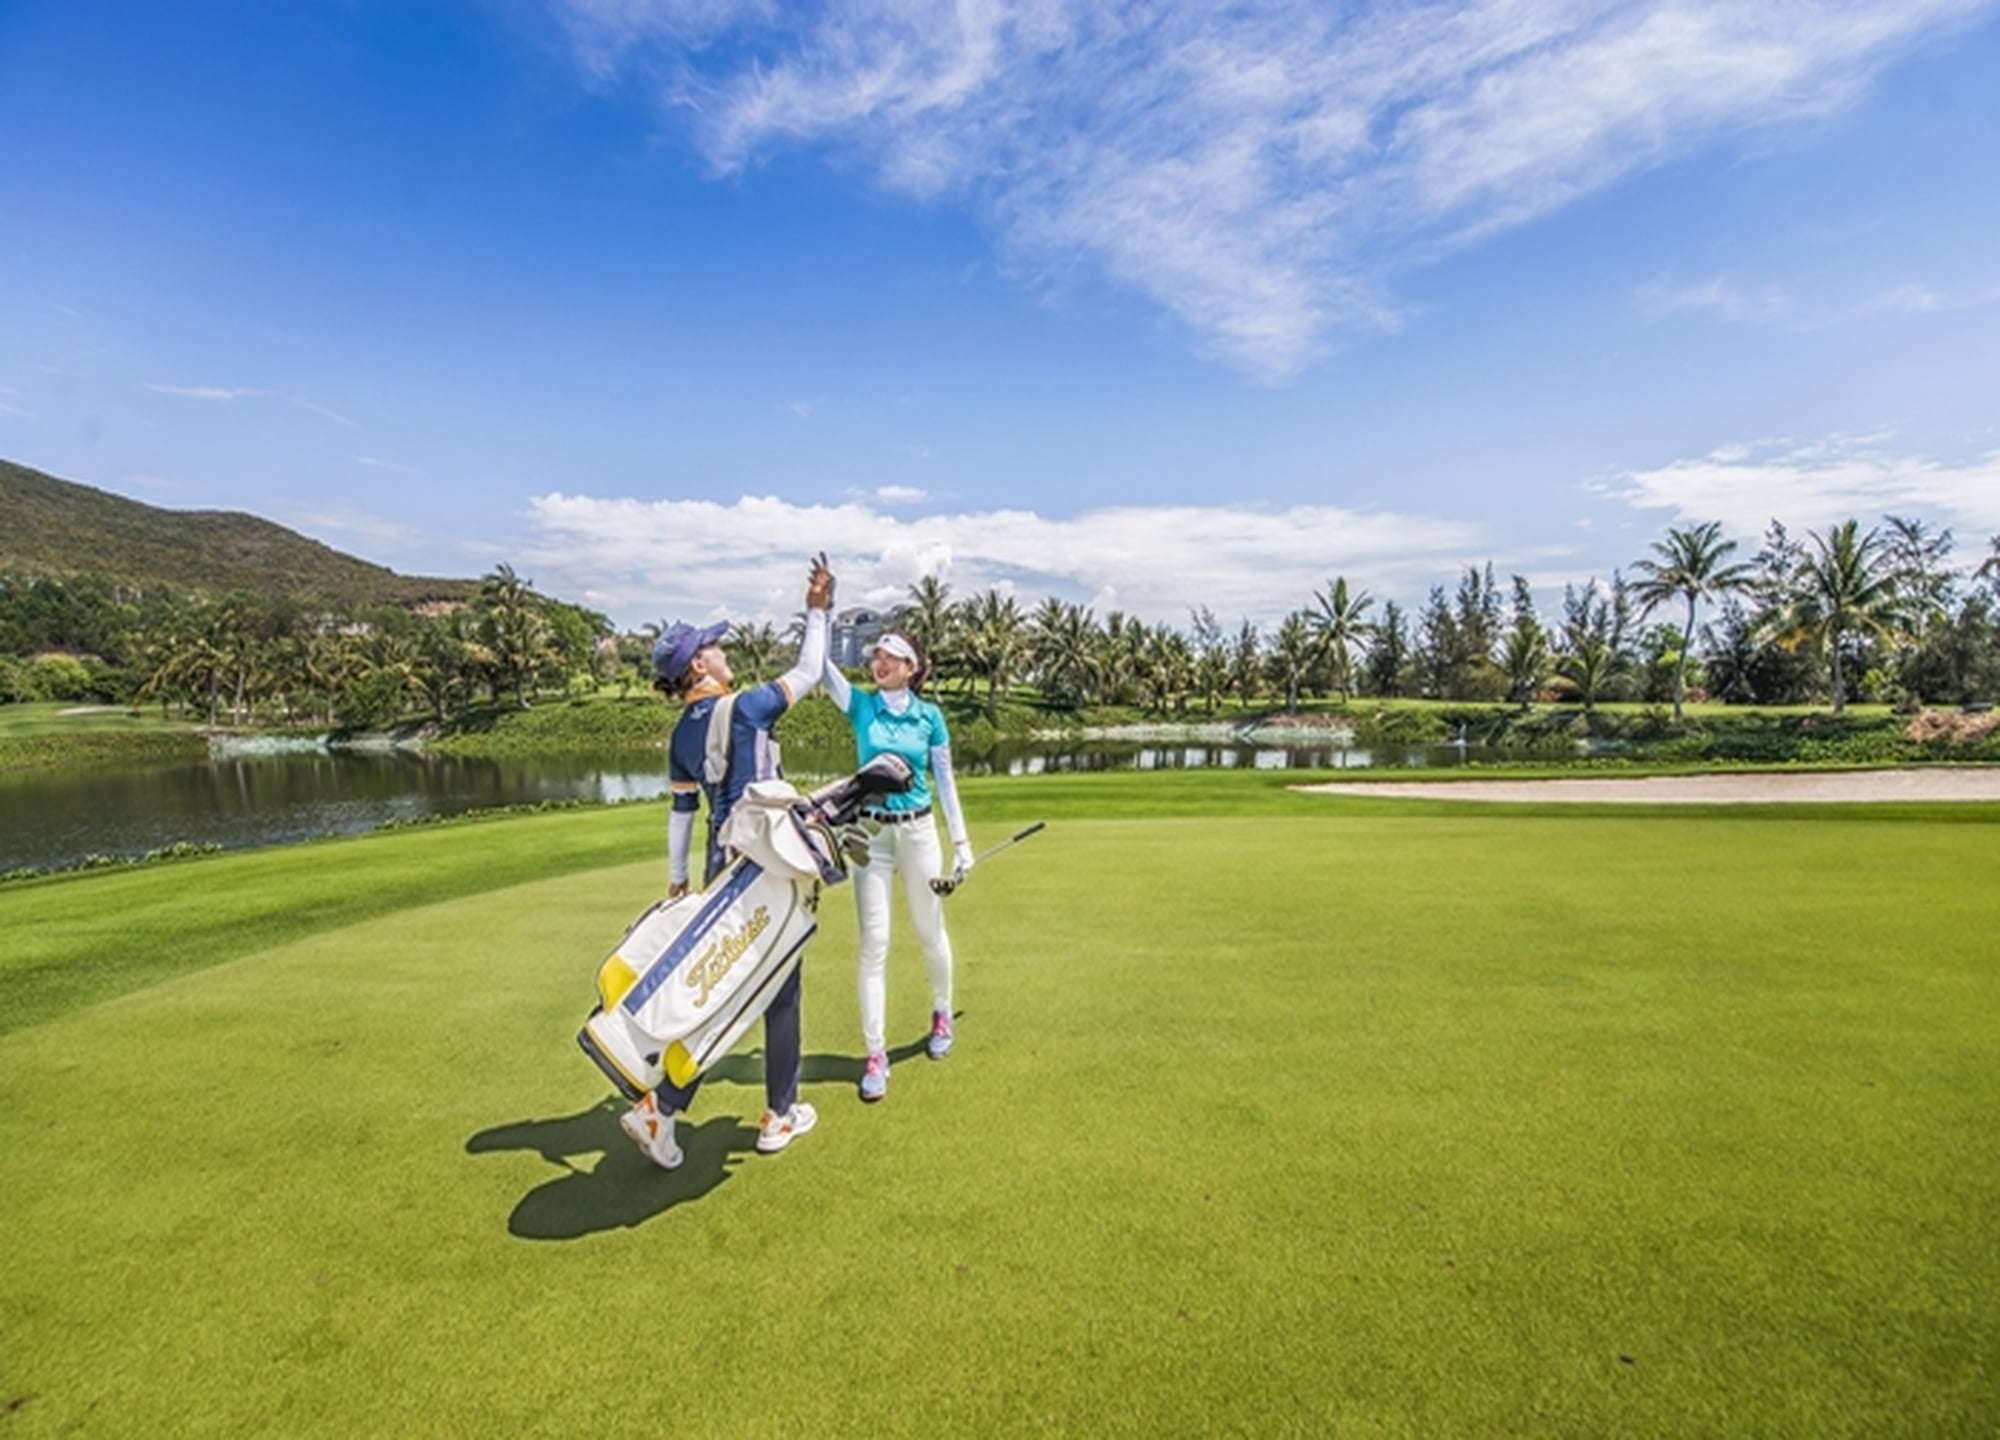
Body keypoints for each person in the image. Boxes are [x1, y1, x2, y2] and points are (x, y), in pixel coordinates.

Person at [618, 554, 836, 1170]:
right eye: (713, 648)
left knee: (721, 987)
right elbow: (809, 671)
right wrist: (817, 610)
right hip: (766, 864)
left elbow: (681, 812)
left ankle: (667, 1107)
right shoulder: (745, 707)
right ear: (698, 666)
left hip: (721, 866)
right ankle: (773, 1114)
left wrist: (678, 880)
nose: (722, 651)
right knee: (778, 987)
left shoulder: (680, 735)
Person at [822, 625, 973, 1102]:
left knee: (930, 932)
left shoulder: (930, 717)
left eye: (890, 656)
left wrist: (962, 843)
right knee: (875, 943)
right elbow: (821, 668)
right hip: (870, 837)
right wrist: (821, 612)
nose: (879, 662)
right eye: (876, 656)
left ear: (911, 667)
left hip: (919, 833)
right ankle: (875, 1053)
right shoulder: (862, 706)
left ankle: (942, 1012)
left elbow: (945, 782)